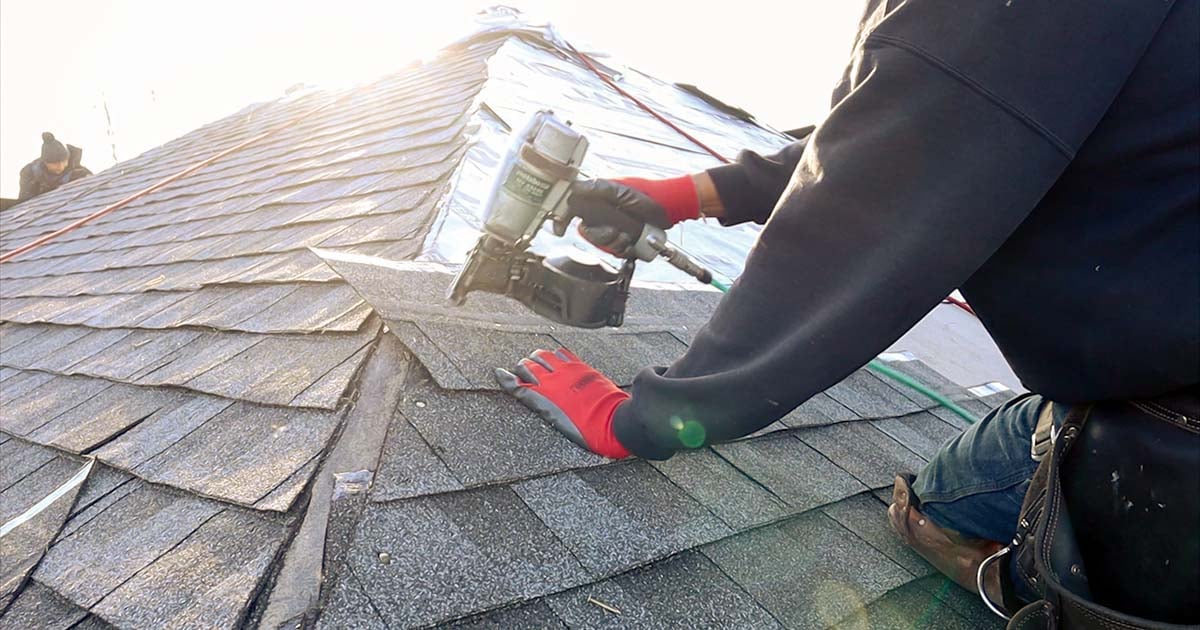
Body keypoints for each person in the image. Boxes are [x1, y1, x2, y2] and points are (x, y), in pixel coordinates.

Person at [497, 0, 1198, 625]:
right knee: (943, 502)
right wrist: (689, 193)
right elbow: (924, 124)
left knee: (994, 545)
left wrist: (645, 419)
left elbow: (886, 186)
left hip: (1169, 440)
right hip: (1144, 389)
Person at [18, 132, 92, 202]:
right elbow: (25, 201)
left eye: (63, 161)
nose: (60, 166)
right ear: (45, 162)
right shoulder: (30, 174)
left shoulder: (81, 173)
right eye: (55, 163)